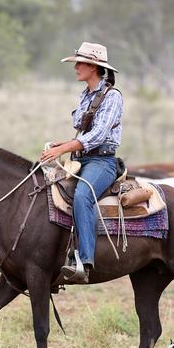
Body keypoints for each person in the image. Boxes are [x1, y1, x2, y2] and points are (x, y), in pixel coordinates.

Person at [40, 42, 123, 284]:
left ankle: (85, 262)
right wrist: (63, 145)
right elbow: (85, 135)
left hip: (102, 161)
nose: (76, 67)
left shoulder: (112, 97)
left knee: (82, 196)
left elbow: (97, 136)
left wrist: (64, 148)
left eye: (80, 63)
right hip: (83, 158)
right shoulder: (86, 94)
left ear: (94, 67)